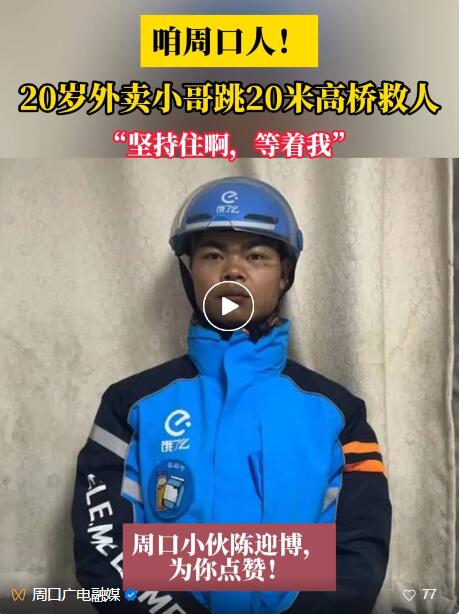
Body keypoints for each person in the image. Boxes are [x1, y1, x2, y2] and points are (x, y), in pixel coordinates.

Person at [71, 176, 391, 614]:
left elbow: (359, 553)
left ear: (285, 274)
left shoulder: (339, 415)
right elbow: (102, 549)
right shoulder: (129, 406)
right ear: (190, 273)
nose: (233, 270)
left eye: (256, 255)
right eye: (213, 254)